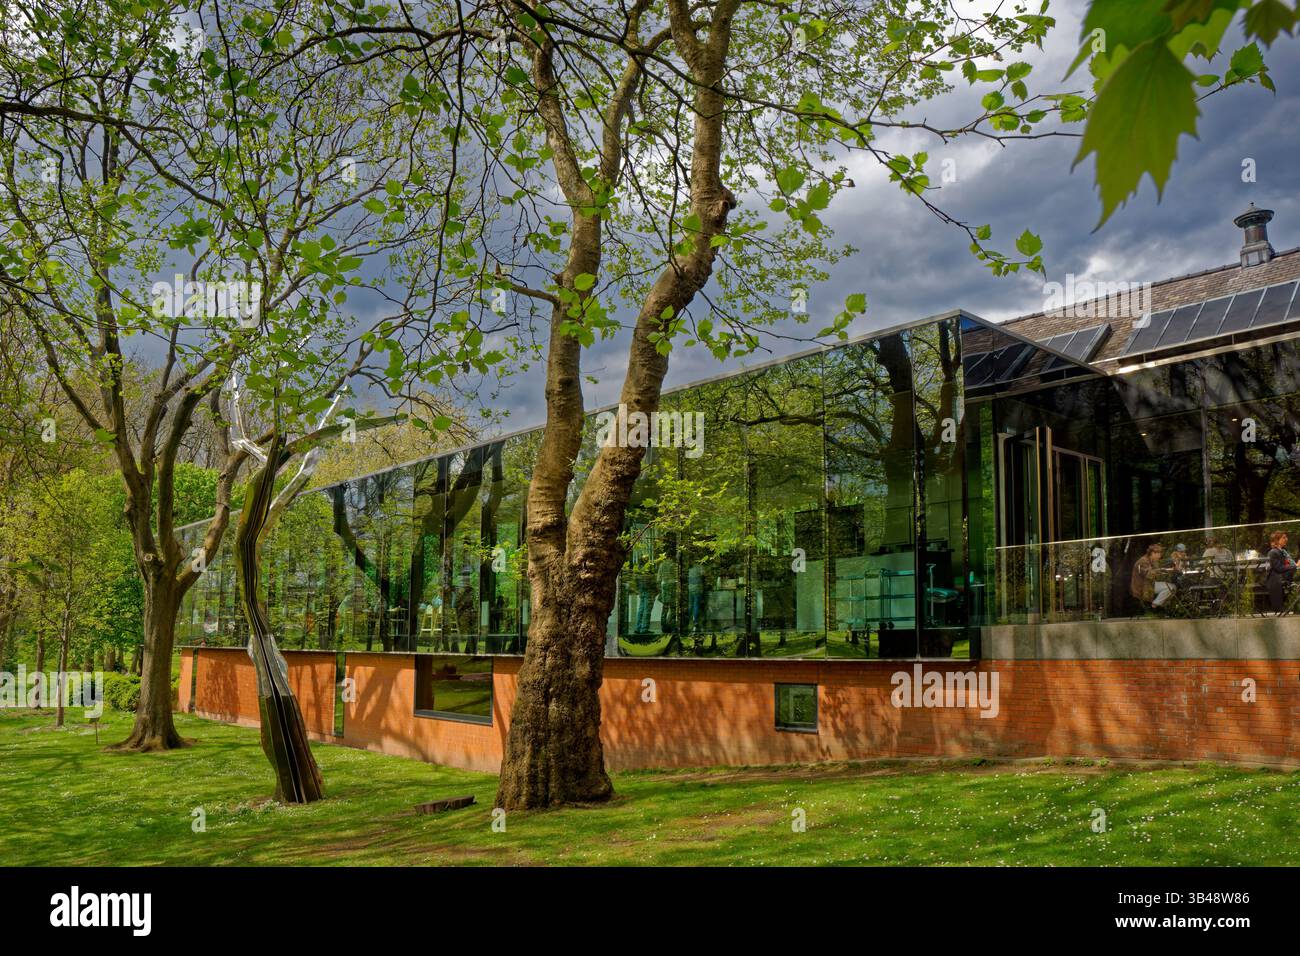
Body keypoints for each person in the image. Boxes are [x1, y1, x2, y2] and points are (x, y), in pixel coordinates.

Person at [1130, 542, 1173, 610]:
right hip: (1143, 587)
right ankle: (1154, 606)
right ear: (1153, 553)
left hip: (1148, 584)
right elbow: (1148, 575)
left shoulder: (1151, 560)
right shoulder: (1143, 561)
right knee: (1171, 587)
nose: (1160, 556)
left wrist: (1166, 569)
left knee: (1172, 586)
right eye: (1158, 553)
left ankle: (1159, 606)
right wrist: (1162, 570)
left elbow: (1157, 570)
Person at [1265, 530, 1296, 614]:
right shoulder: (1273, 552)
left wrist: (1295, 565)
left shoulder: (1283, 551)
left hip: (1285, 576)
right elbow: (1278, 568)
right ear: (1276, 540)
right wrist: (1295, 566)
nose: (1286, 539)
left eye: (1286, 537)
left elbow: (1288, 563)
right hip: (1276, 579)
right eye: (1283, 538)